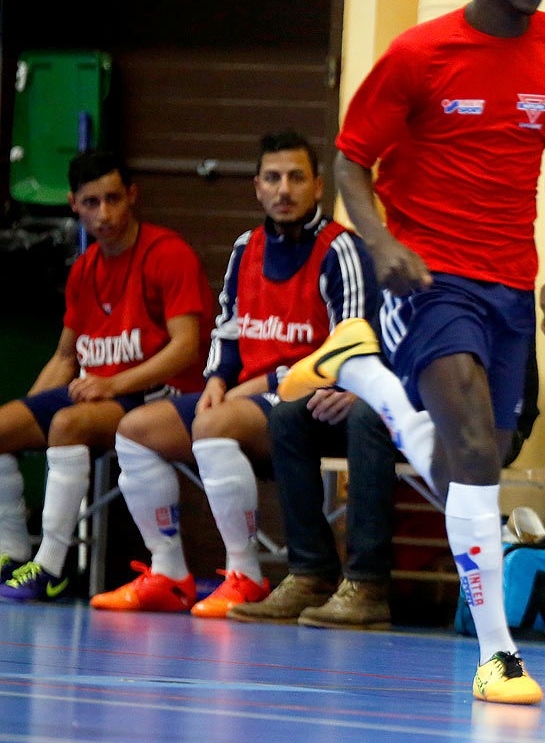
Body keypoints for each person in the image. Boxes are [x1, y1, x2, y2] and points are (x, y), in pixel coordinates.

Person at [276, 0, 545, 705]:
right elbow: (349, 159)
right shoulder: (421, 55)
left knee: (478, 459)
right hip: (428, 278)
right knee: (478, 459)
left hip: (508, 283)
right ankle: (498, 657)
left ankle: (371, 382)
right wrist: (381, 244)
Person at [98, 129, 378, 618]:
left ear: (317, 186)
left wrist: (262, 385)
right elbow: (228, 329)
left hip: (312, 403)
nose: (283, 189)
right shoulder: (246, 246)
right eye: (272, 178)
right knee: (134, 431)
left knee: (212, 424)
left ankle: (245, 575)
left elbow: (350, 350)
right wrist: (215, 381)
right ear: (257, 187)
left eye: (295, 178)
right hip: (244, 398)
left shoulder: (341, 250)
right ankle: (169, 574)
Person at [0, 151, 214, 601]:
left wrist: (113, 383)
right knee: (4, 428)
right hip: (100, 396)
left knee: (67, 424)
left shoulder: (168, 254)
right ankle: (12, 556)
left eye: (113, 199)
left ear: (132, 196)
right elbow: (64, 357)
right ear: (74, 205)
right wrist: (26, 416)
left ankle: (51, 568)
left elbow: (186, 347)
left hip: (162, 396)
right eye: (92, 202)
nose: (105, 213)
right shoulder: (83, 269)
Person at [226, 391, 399, 629]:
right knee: (287, 418)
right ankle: (310, 575)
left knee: (367, 414)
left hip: (423, 403)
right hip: (367, 389)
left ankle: (367, 584)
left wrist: (368, 389)